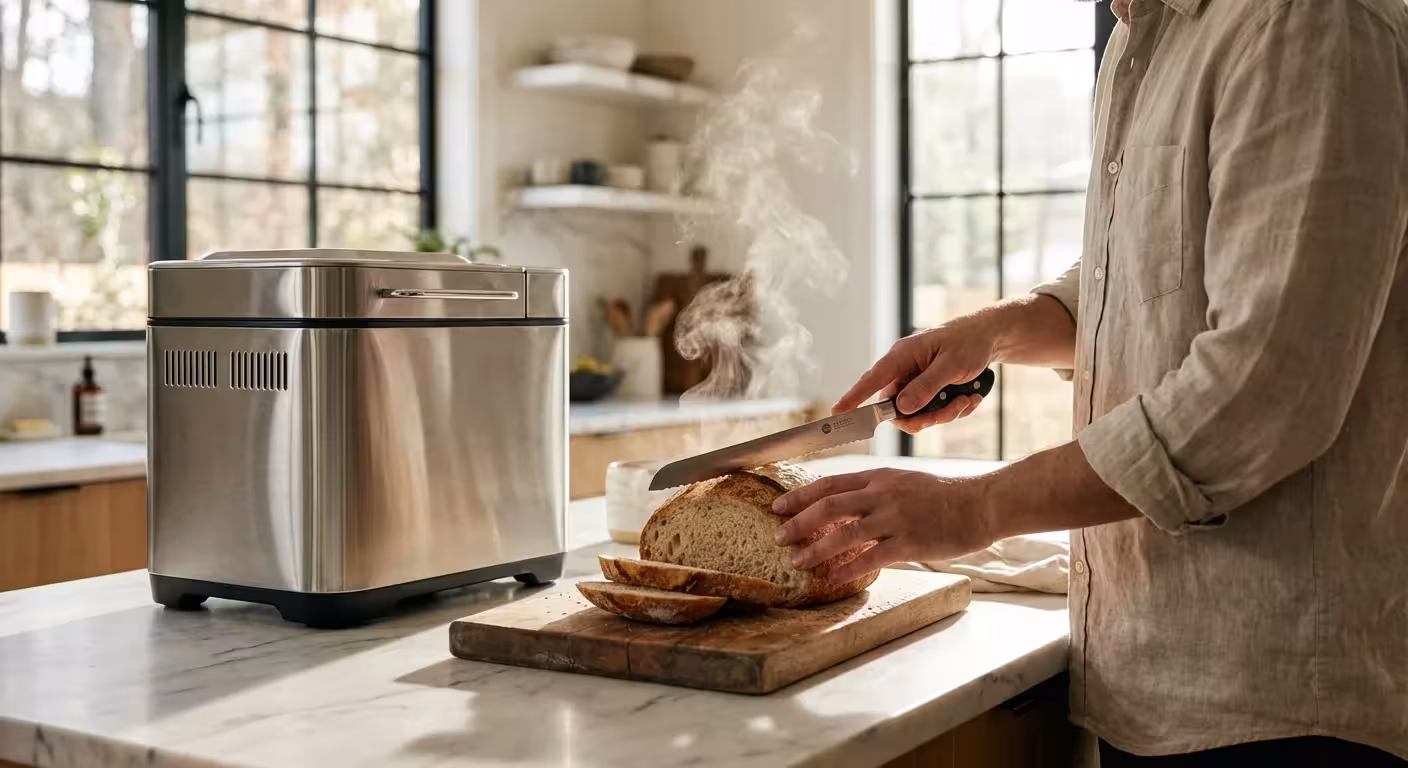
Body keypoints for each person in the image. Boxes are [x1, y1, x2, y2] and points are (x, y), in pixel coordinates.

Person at [773, 0, 1408, 764]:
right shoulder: (1145, 37)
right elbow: (1146, 277)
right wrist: (995, 332)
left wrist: (969, 508)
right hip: (1146, 673)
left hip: (1278, 701)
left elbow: (1260, 395)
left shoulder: (1307, 22)